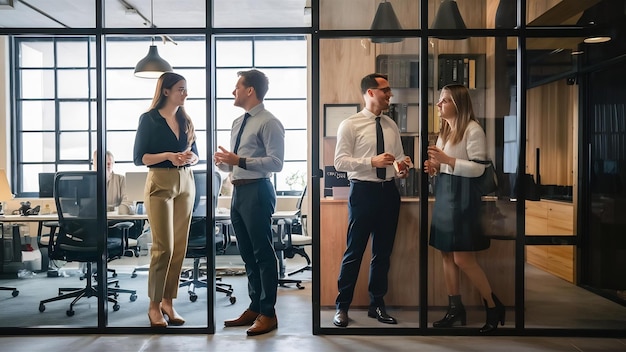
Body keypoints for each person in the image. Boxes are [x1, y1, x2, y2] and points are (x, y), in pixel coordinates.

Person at [424, 84, 505, 334]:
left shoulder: (473, 129)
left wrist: (446, 160)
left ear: (458, 103)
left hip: (464, 199)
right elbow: (449, 167)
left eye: (444, 101)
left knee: (462, 257)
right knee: (446, 255)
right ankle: (455, 308)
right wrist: (436, 168)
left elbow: (479, 168)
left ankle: (493, 305)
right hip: (446, 195)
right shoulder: (445, 131)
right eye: (439, 101)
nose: (439, 105)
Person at [332, 73, 411, 328]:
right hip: (362, 192)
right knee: (354, 252)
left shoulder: (391, 125)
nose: (390, 94)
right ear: (370, 93)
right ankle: (342, 307)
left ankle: (377, 305)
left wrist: (402, 167)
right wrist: (371, 162)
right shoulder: (350, 124)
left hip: (389, 192)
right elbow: (340, 162)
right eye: (385, 90)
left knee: (383, 253)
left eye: (389, 90)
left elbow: (399, 157)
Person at [214, 69, 284, 336]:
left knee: (263, 254)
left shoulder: (270, 122)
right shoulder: (237, 122)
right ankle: (255, 307)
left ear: (250, 90)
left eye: (237, 87)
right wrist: (223, 164)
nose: (234, 91)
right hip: (238, 191)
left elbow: (276, 163)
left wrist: (238, 161)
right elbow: (235, 165)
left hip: (258, 191)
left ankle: (268, 312)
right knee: (246, 254)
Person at [133, 72, 199, 328]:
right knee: (164, 248)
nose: (185, 93)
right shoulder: (149, 119)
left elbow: (196, 154)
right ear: (166, 91)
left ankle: (168, 302)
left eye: (185, 88)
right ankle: (153, 305)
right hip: (160, 182)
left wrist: (189, 158)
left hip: (186, 182)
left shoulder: (186, 119)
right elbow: (140, 157)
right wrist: (169, 156)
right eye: (181, 89)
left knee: (180, 247)